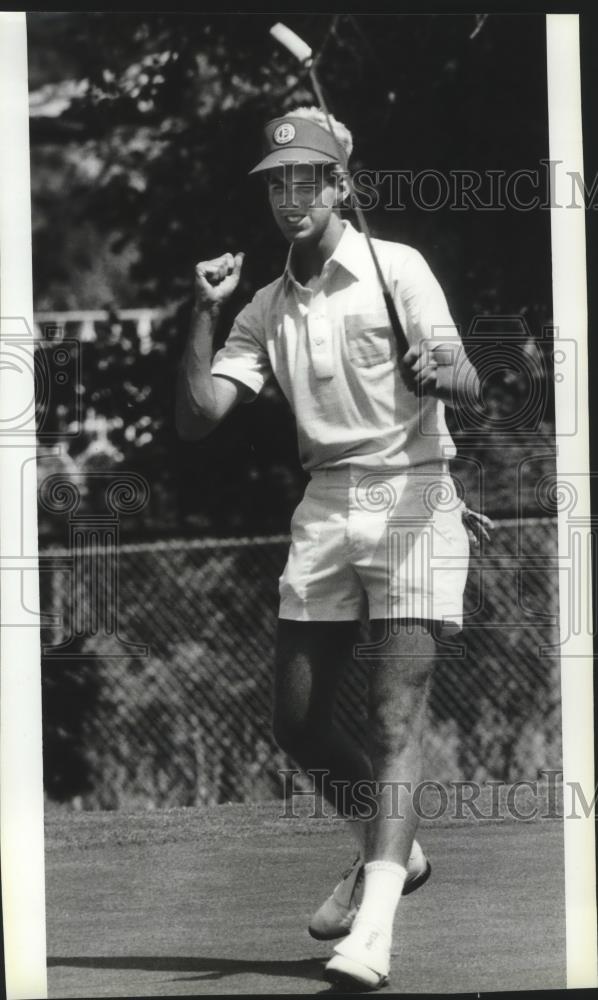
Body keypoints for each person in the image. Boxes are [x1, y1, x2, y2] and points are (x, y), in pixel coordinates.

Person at [176, 106, 484, 991]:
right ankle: (395, 856)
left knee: (395, 719)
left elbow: (467, 376)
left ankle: (374, 933)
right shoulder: (265, 306)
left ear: (341, 185)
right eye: (276, 182)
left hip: (417, 494)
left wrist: (438, 374)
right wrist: (204, 311)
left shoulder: (400, 268)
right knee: (298, 721)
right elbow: (198, 418)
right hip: (325, 507)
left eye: (308, 178)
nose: (290, 196)